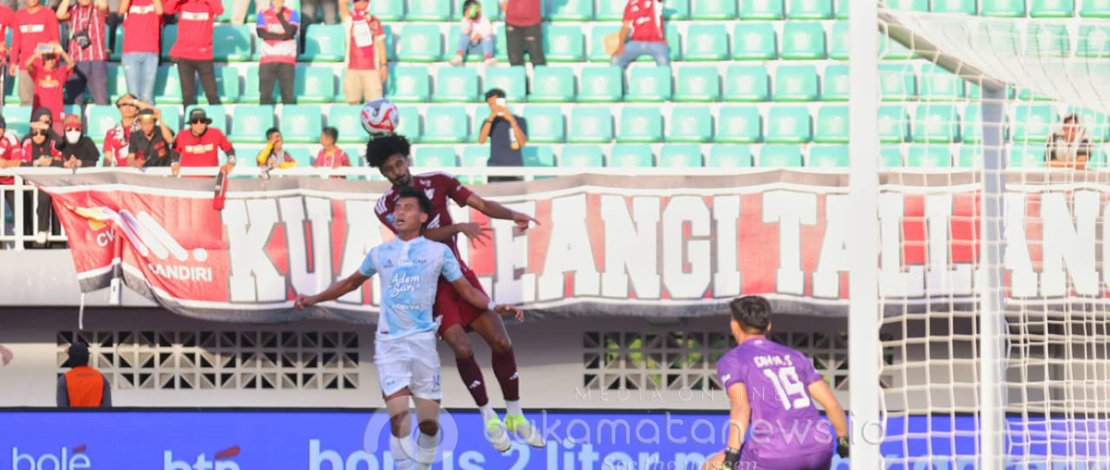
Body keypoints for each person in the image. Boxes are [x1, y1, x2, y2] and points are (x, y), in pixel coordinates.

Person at [295, 186, 523, 469]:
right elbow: (350, 282)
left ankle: (423, 463)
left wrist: (491, 306)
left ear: (424, 216)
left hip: (423, 342)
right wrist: (315, 299)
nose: (399, 212)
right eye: (397, 208)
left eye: (407, 208)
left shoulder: (439, 253)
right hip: (390, 343)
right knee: (398, 417)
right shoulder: (380, 253)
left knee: (428, 424)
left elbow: (465, 290)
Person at [366, 134, 546, 452]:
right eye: (388, 168)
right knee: (462, 349)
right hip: (429, 290)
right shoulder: (385, 206)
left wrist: (511, 214)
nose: (396, 170)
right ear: (382, 174)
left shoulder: (440, 181)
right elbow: (420, 236)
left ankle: (515, 414)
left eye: (398, 162)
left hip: (459, 276)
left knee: (502, 341)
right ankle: (488, 416)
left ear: (407, 159)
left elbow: (481, 203)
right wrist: (459, 228)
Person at [702, 296, 850, 470]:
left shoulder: (733, 360)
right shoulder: (795, 357)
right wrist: (843, 440)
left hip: (776, 452)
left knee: (711, 466)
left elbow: (741, 406)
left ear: (734, 324)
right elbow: (831, 404)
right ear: (769, 326)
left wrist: (731, 455)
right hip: (819, 447)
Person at [165, 0, 223, 107]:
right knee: (187, 96)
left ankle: (218, 121)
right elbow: (167, 9)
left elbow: (219, 10)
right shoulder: (183, 3)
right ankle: (189, 122)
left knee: (212, 94)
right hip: (184, 56)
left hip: (204, 56)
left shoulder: (208, 4)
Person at [56, 0, 109, 106]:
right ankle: (74, 122)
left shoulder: (98, 9)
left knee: (101, 98)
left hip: (97, 59)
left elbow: (104, 6)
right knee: (74, 101)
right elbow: (59, 15)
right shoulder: (73, 10)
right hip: (76, 60)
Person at [10, 0, 60, 106]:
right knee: (26, 101)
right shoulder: (19, 15)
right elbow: (16, 41)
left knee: (46, 101)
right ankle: (27, 122)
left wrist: (55, 61)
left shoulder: (48, 13)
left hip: (44, 66)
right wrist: (13, 62)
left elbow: (56, 42)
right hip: (25, 66)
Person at [23, 114, 62, 244]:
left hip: (50, 184)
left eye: (43, 131)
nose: (39, 135)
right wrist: (37, 162)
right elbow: (22, 163)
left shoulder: (52, 141)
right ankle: (30, 243)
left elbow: (61, 147)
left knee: (49, 199)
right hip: (29, 185)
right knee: (27, 213)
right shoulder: (27, 142)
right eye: (35, 132)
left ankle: (55, 242)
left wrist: (48, 129)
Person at [339, 0, 385, 104]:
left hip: (372, 69)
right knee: (353, 102)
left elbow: (381, 45)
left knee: (374, 105)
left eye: (364, 2)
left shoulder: (374, 21)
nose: (361, 5)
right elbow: (342, 2)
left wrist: (384, 65)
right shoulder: (349, 19)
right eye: (358, 2)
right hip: (352, 68)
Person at [117, 0, 163, 105]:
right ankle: (134, 121)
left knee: (147, 94)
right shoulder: (129, 3)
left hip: (151, 51)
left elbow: (160, 11)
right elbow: (121, 10)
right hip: (130, 51)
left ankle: (148, 120)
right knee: (133, 94)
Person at [477, 88, 527, 182]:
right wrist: (491, 117)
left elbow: (522, 142)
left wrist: (512, 121)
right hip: (494, 169)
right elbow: (481, 140)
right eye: (490, 104)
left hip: (514, 169)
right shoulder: (489, 122)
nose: (493, 107)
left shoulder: (520, 120)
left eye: (495, 103)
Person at [256, 0, 298, 104]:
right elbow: (261, 33)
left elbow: (291, 32)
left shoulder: (292, 13)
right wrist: (283, 37)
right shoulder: (263, 14)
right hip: (267, 59)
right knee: (264, 96)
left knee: (288, 96)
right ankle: (265, 118)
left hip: (286, 59)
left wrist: (279, 15)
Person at [26, 42, 73, 132]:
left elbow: (71, 64)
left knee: (58, 143)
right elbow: (27, 64)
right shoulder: (38, 71)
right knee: (38, 141)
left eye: (53, 58)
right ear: (43, 59)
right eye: (48, 58)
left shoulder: (60, 72)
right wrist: (36, 54)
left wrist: (62, 52)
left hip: (56, 116)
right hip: (39, 115)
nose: (51, 61)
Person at [172, 108, 234, 175]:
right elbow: (174, 151)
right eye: (195, 121)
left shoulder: (216, 133)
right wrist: (175, 162)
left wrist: (231, 162)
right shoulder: (181, 135)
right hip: (187, 179)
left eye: (202, 121)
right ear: (191, 124)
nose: (199, 125)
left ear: (206, 123)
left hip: (210, 179)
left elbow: (229, 149)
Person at [610, 0, 669, 69]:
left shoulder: (654, 2)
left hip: (656, 42)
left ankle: (664, 79)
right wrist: (620, 46)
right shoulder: (630, 4)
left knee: (663, 61)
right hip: (635, 43)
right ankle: (619, 79)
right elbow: (625, 27)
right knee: (616, 59)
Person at [56, 342, 112, 408]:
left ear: (72, 358)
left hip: (74, 418)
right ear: (87, 358)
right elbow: (108, 408)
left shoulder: (64, 379)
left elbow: (62, 410)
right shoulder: (101, 378)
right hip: (96, 418)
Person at [449, 0, 494, 66]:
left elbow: (488, 31)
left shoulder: (484, 19)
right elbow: (465, 30)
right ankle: (459, 56)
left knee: (488, 38)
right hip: (469, 47)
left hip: (482, 48)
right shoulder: (465, 20)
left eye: (477, 8)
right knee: (464, 36)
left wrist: (480, 35)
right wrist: (468, 20)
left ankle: (487, 59)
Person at [501, 0, 543, 67]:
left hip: (532, 22)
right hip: (512, 21)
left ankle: (540, 77)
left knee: (537, 59)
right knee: (514, 60)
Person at [102, 93, 140, 166]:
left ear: (137, 108)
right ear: (119, 108)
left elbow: (155, 112)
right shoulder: (111, 133)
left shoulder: (145, 129)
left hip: (140, 173)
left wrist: (136, 102)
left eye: (131, 104)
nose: (128, 108)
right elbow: (107, 159)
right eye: (124, 104)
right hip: (120, 174)